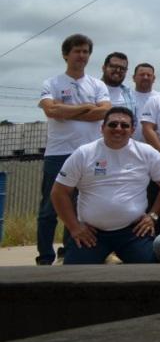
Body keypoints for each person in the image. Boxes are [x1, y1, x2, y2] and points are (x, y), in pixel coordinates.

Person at [51, 107, 160, 264]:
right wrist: (74, 227)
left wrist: (153, 216)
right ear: (102, 128)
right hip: (91, 234)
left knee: (150, 273)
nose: (118, 129)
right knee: (74, 275)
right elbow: (59, 192)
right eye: (113, 124)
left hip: (133, 232)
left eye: (124, 125)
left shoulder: (147, 153)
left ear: (132, 130)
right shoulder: (83, 154)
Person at [36, 33, 111, 265]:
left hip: (88, 154)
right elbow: (51, 111)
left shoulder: (97, 85)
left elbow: (104, 112)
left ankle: (69, 254)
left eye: (86, 51)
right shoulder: (52, 83)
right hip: (58, 154)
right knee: (50, 208)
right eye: (77, 51)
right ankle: (45, 256)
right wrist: (88, 107)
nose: (82, 56)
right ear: (66, 54)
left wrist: (66, 109)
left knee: (78, 208)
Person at [101, 52, 135, 119]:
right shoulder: (92, 89)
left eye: (122, 68)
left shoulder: (129, 94)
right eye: (114, 66)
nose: (118, 70)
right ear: (104, 68)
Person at [130, 62, 158, 142]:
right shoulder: (125, 97)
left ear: (154, 78)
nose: (145, 77)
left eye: (149, 75)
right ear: (133, 78)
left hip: (154, 148)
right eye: (142, 75)